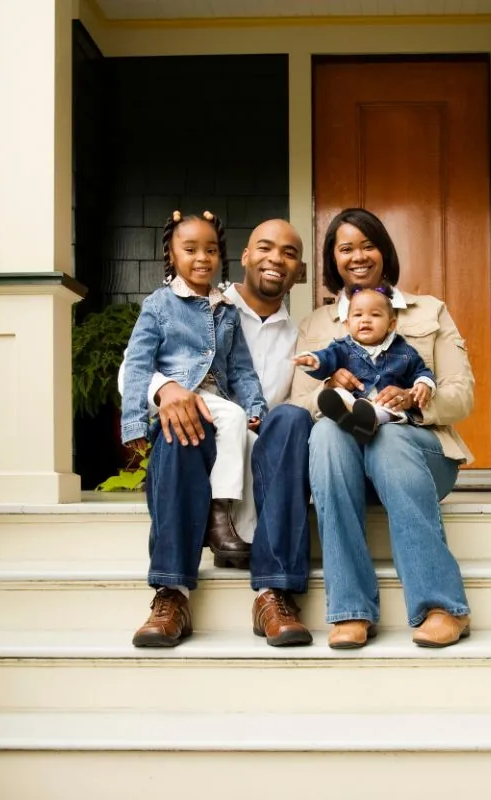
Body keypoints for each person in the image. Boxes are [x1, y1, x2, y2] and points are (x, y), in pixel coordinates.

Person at [125, 218, 315, 648]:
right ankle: (172, 593)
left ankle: (273, 593)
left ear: (299, 268)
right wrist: (167, 389)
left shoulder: (302, 333)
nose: (276, 260)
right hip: (199, 444)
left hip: (264, 451)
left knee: (292, 419)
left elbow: (251, 379)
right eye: (265, 248)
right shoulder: (196, 304)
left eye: (289, 253)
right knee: (182, 420)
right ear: (245, 257)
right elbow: (133, 368)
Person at [292, 207, 475, 650]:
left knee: (389, 438)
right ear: (332, 259)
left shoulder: (428, 311)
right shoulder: (318, 325)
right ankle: (351, 610)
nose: (358, 256)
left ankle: (442, 605)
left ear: (385, 251)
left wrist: (416, 400)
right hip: (345, 463)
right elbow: (298, 402)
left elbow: (462, 395)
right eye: (345, 248)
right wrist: (331, 390)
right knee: (326, 433)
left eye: (367, 245)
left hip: (420, 455)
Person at [294, 284, 435, 444]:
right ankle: (346, 416)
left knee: (388, 410)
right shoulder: (342, 348)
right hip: (355, 402)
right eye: (358, 315)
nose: (365, 320)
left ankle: (369, 420)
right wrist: (313, 361)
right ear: (347, 324)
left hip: (386, 406)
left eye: (375, 315)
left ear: (391, 324)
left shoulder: (404, 351)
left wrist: (424, 384)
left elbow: (421, 370)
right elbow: (327, 358)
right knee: (338, 395)